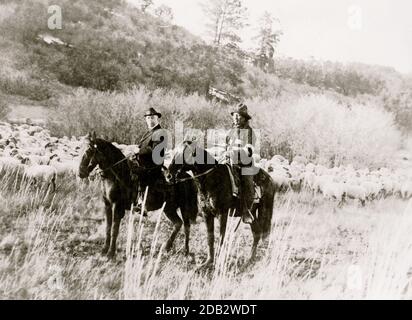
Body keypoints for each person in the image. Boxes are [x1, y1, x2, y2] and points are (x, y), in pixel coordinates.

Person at [130, 107, 167, 211]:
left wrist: (139, 151)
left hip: (153, 164)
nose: (150, 120)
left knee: (139, 175)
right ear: (146, 120)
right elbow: (142, 147)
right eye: (148, 118)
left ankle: (142, 204)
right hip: (143, 163)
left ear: (157, 119)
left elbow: (155, 149)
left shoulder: (160, 132)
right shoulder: (148, 133)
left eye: (152, 118)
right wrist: (135, 151)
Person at [225, 103, 257, 224]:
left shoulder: (249, 132)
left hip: (245, 164)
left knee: (247, 183)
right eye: (235, 115)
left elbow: (248, 151)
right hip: (230, 162)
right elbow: (225, 148)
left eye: (239, 116)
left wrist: (234, 152)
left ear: (244, 118)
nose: (236, 118)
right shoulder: (230, 132)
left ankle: (246, 211)